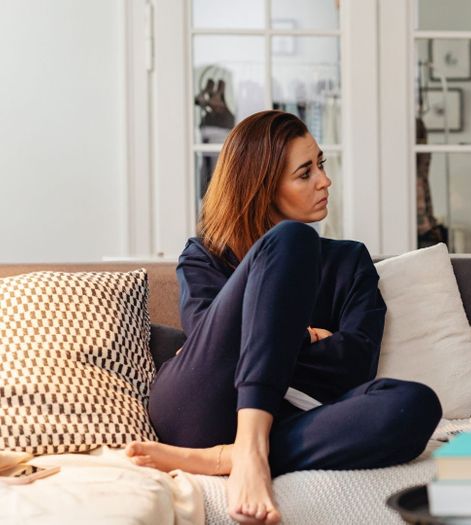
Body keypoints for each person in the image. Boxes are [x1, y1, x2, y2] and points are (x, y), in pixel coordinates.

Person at [126, 110, 442, 525]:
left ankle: (233, 454)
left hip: (292, 417)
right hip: (200, 406)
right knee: (292, 239)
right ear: (262, 185)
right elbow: (214, 348)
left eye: (322, 166)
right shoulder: (204, 255)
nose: (324, 181)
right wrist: (303, 337)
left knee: (415, 405)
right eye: (305, 172)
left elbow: (355, 365)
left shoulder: (350, 260)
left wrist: (268, 338)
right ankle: (251, 451)